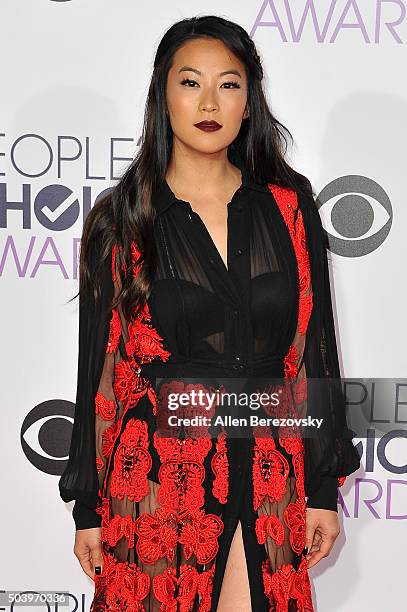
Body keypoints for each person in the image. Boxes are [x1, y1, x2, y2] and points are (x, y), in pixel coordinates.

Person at [59, 15, 360, 612]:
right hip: (156, 481)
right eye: (190, 82)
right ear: (161, 96)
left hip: (273, 471)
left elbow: (314, 351)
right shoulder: (121, 218)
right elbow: (102, 371)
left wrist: (323, 485)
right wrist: (89, 506)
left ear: (249, 102)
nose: (209, 102)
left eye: (229, 84)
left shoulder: (290, 204)